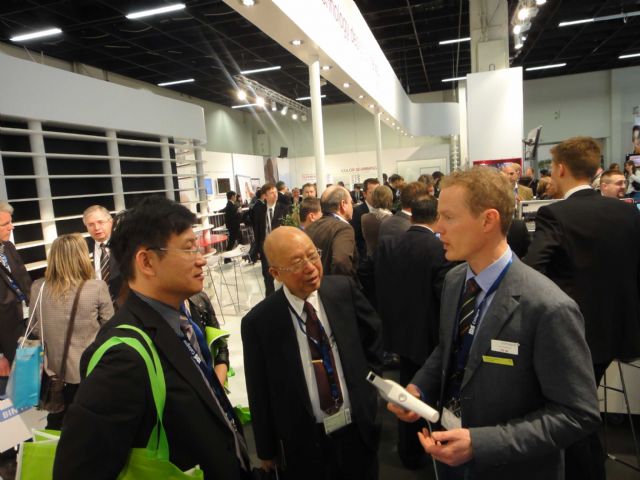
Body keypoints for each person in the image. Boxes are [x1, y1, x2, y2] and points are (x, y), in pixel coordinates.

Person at [389, 167, 600, 480]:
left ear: (488, 220)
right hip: (449, 453)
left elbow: (577, 413)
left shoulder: (548, 306)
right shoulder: (455, 281)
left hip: (512, 469)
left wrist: (482, 444)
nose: (438, 228)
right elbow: (449, 348)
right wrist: (419, 388)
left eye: (448, 217)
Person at [54, 196, 251, 479]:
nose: (200, 260)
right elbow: (77, 470)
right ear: (146, 261)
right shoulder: (122, 356)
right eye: (188, 249)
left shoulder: (182, 322)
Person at [525, 137, 640, 480]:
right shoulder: (627, 211)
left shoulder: (554, 214)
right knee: (582, 406)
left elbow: (532, 270)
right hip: (620, 329)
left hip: (575, 334)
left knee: (572, 412)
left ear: (560, 169)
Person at [242, 227, 382, 480]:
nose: (310, 267)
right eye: (297, 262)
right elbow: (258, 388)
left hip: (356, 429)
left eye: (312, 255)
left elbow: (372, 334)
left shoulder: (342, 290)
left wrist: (370, 386)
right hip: (304, 441)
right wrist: (266, 450)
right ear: (275, 273)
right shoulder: (260, 322)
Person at [375, 194, 453, 469]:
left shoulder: (388, 244)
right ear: (436, 217)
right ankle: (433, 451)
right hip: (431, 335)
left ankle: (408, 451)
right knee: (429, 393)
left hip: (398, 331)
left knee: (408, 391)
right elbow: (444, 297)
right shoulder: (440, 249)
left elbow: (374, 279)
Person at [30, 234, 113, 429]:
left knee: (57, 424)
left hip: (52, 374)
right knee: (92, 426)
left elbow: (34, 326)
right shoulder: (96, 287)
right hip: (90, 370)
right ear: (82, 256)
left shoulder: (38, 287)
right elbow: (111, 328)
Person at [0, 201, 32, 395]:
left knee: (30, 388)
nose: (11, 227)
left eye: (10, 222)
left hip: (26, 327)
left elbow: (25, 283)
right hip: (5, 340)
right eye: (5, 224)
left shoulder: (9, 247)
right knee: (13, 394)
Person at [305, 185, 358, 282]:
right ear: (343, 204)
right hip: (337, 287)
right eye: (351, 202)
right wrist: (344, 285)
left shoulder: (310, 227)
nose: (352, 206)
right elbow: (341, 263)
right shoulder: (343, 228)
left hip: (315, 285)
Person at [82, 205, 123, 306]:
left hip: (125, 304)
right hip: (97, 307)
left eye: (100, 222)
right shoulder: (83, 249)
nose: (96, 228)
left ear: (111, 222)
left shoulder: (124, 244)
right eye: (91, 224)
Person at [252, 183, 288, 295]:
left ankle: (285, 297)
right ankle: (269, 298)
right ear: (265, 196)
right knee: (267, 276)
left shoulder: (284, 208)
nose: (275, 194)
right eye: (271, 193)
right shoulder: (259, 210)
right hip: (265, 248)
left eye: (276, 192)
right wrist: (258, 248)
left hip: (280, 248)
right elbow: (257, 230)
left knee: (284, 274)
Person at [350, 177, 380, 262]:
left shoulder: (384, 210)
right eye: (372, 193)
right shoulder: (357, 212)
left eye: (378, 193)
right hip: (366, 259)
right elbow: (357, 238)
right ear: (364, 194)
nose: (376, 196)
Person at [361, 185, 393, 258]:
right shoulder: (391, 219)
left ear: (373, 198)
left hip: (370, 258)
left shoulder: (364, 217)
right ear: (390, 199)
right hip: (386, 259)